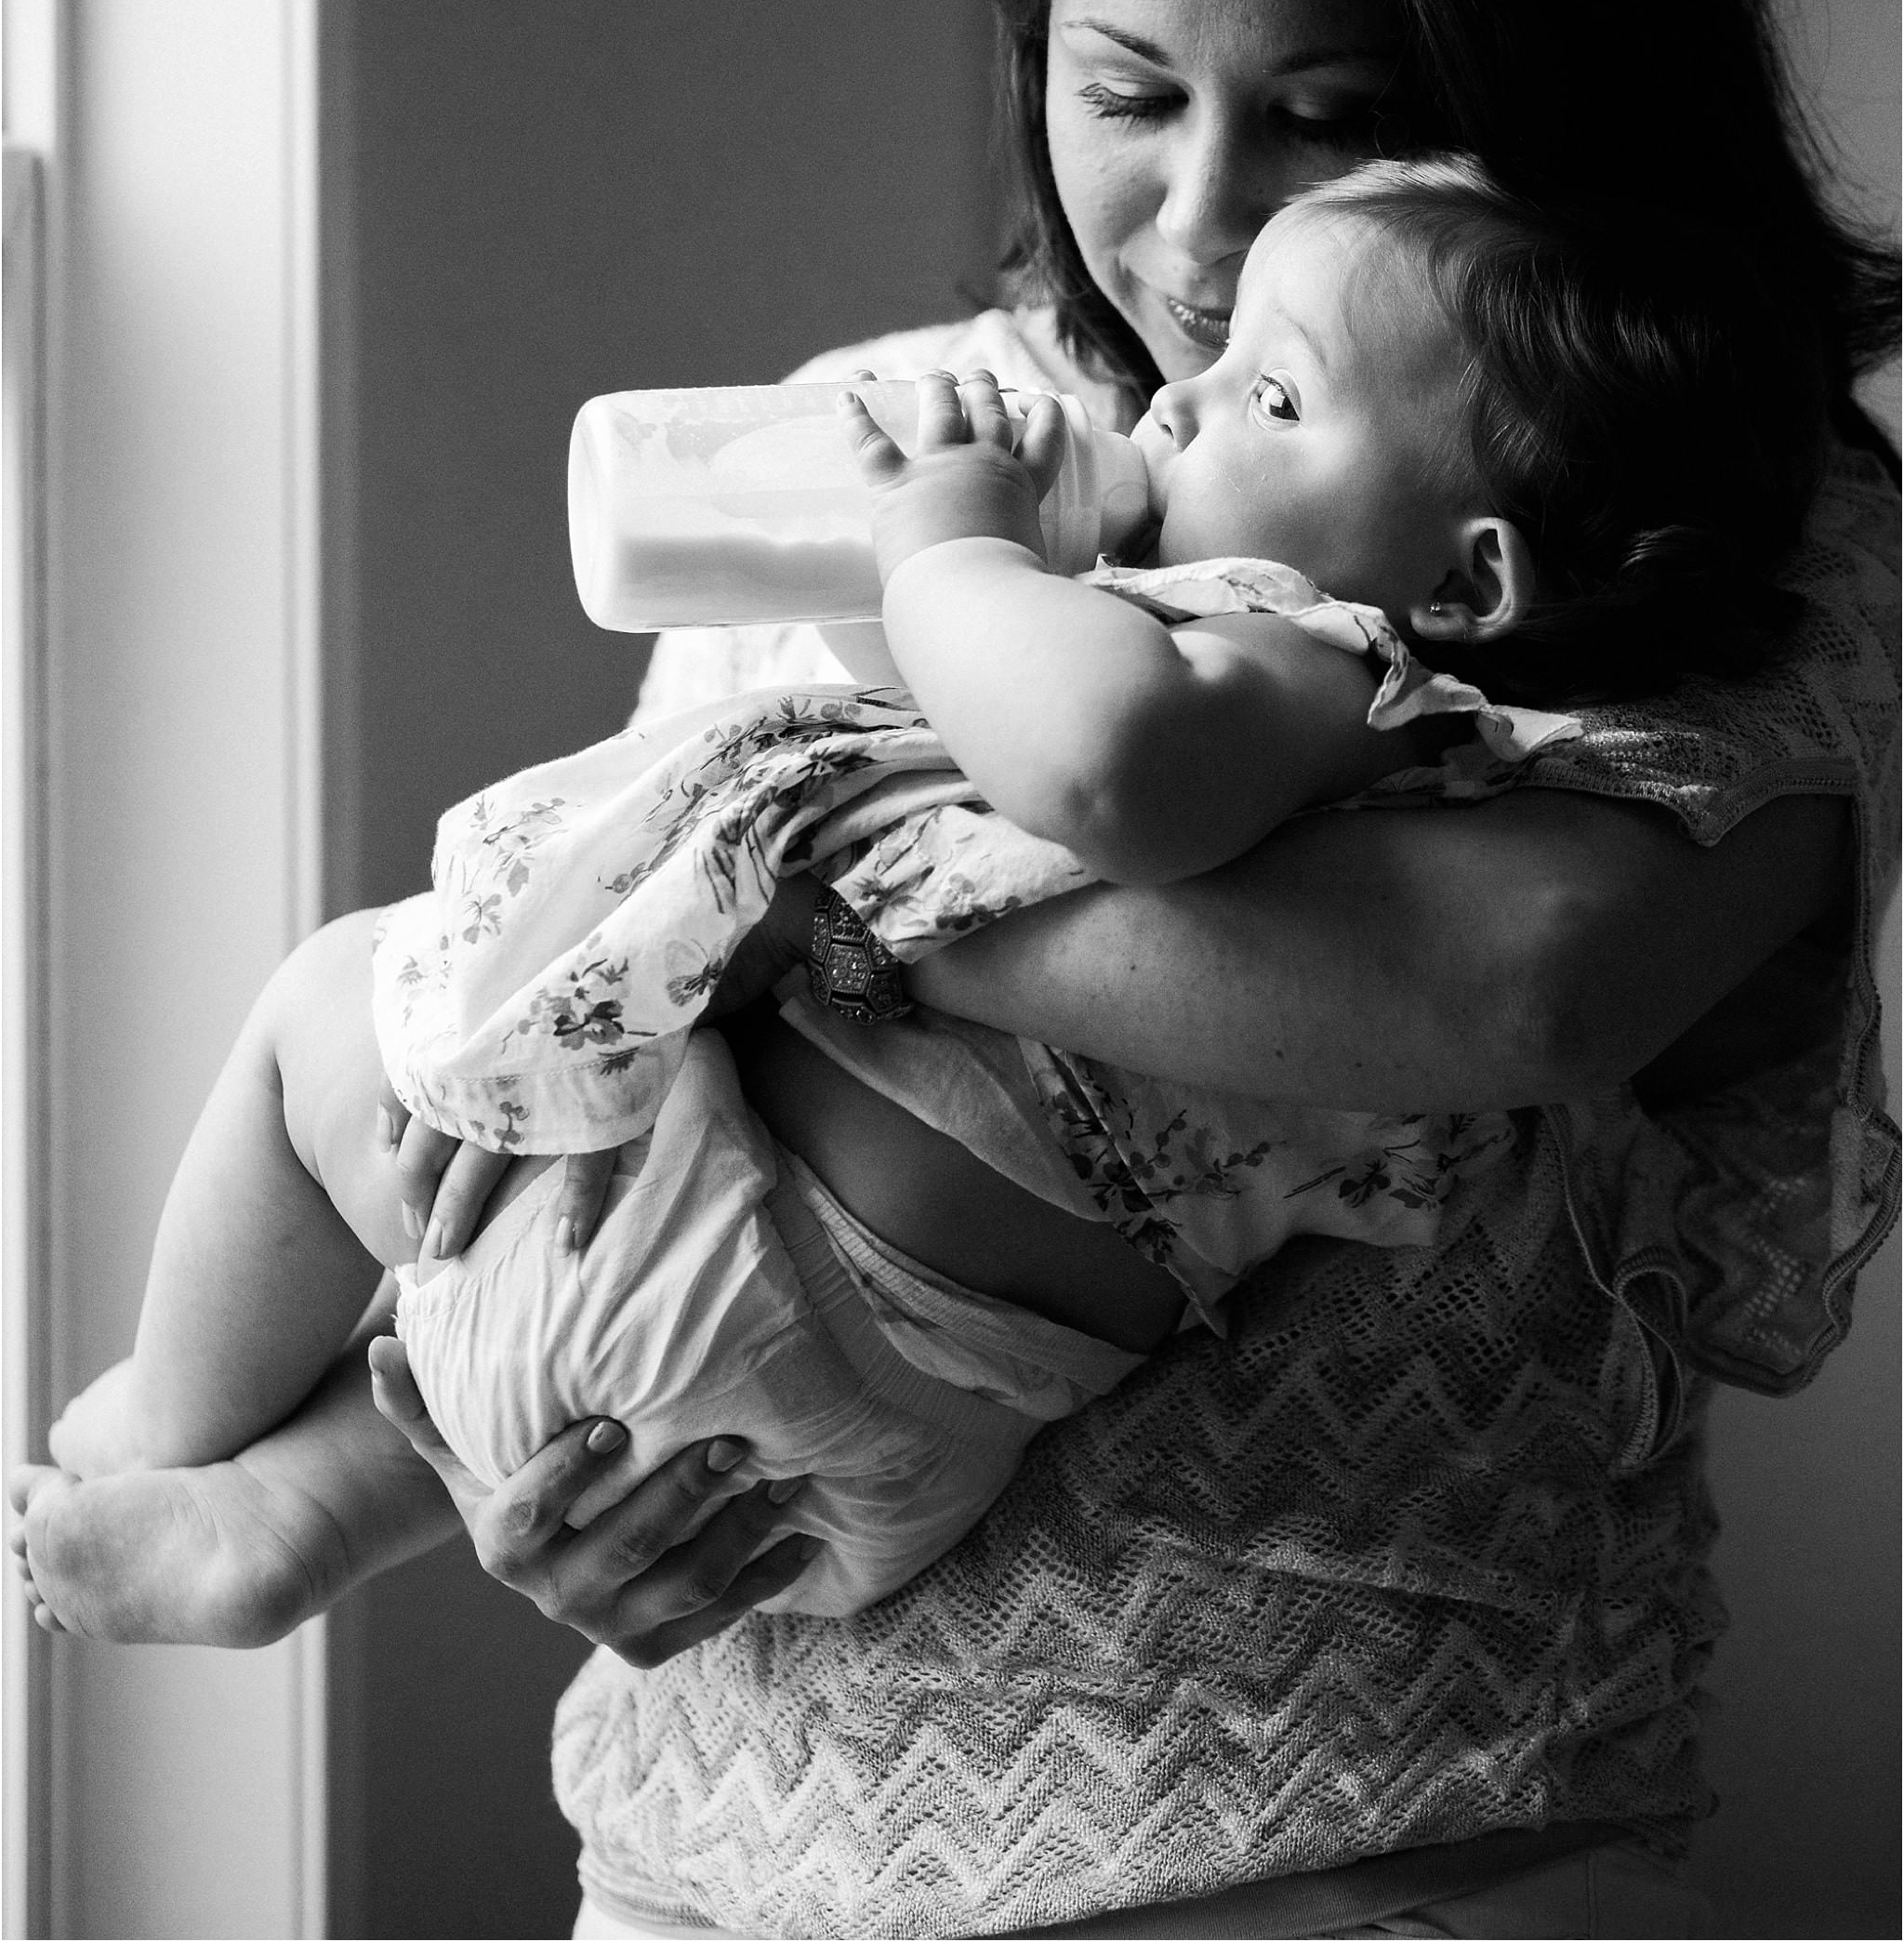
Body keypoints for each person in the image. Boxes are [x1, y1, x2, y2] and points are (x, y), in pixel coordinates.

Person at [12, 0, 1897, 1940]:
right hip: (736, 1838)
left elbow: (1513, 982)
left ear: (1545, 71)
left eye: (1331, 111)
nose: (1203, 223)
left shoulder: (1676, 516)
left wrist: (820, 868)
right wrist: (512, 1450)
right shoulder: (895, 449)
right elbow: (632, 1100)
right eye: (1130, 89)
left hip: (1347, 1824)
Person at [34, 156, 1802, 1631]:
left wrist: (952, 544)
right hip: (890, 1428)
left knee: (318, 1005)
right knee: (503, 1176)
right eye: (1128, 91)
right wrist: (959, 567)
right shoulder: (1322, 713)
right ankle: (305, 1513)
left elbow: (1091, 773)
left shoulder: (1312, 660)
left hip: (784, 1265)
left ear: (1468, 576)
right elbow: (947, 742)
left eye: (1275, 392)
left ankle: (177, 1430)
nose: (1181, 392)